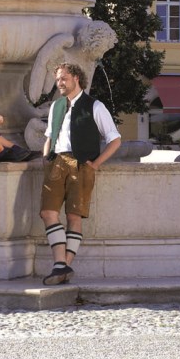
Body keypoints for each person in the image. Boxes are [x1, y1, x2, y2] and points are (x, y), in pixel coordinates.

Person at [38, 62, 122, 286]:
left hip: (83, 165)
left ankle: (62, 265)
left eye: (63, 78)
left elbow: (115, 139)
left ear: (76, 78)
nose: (60, 83)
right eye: (58, 79)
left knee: (74, 216)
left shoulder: (95, 106)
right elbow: (49, 136)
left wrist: (95, 164)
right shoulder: (56, 106)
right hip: (57, 162)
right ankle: (61, 265)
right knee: (48, 212)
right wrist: (46, 158)